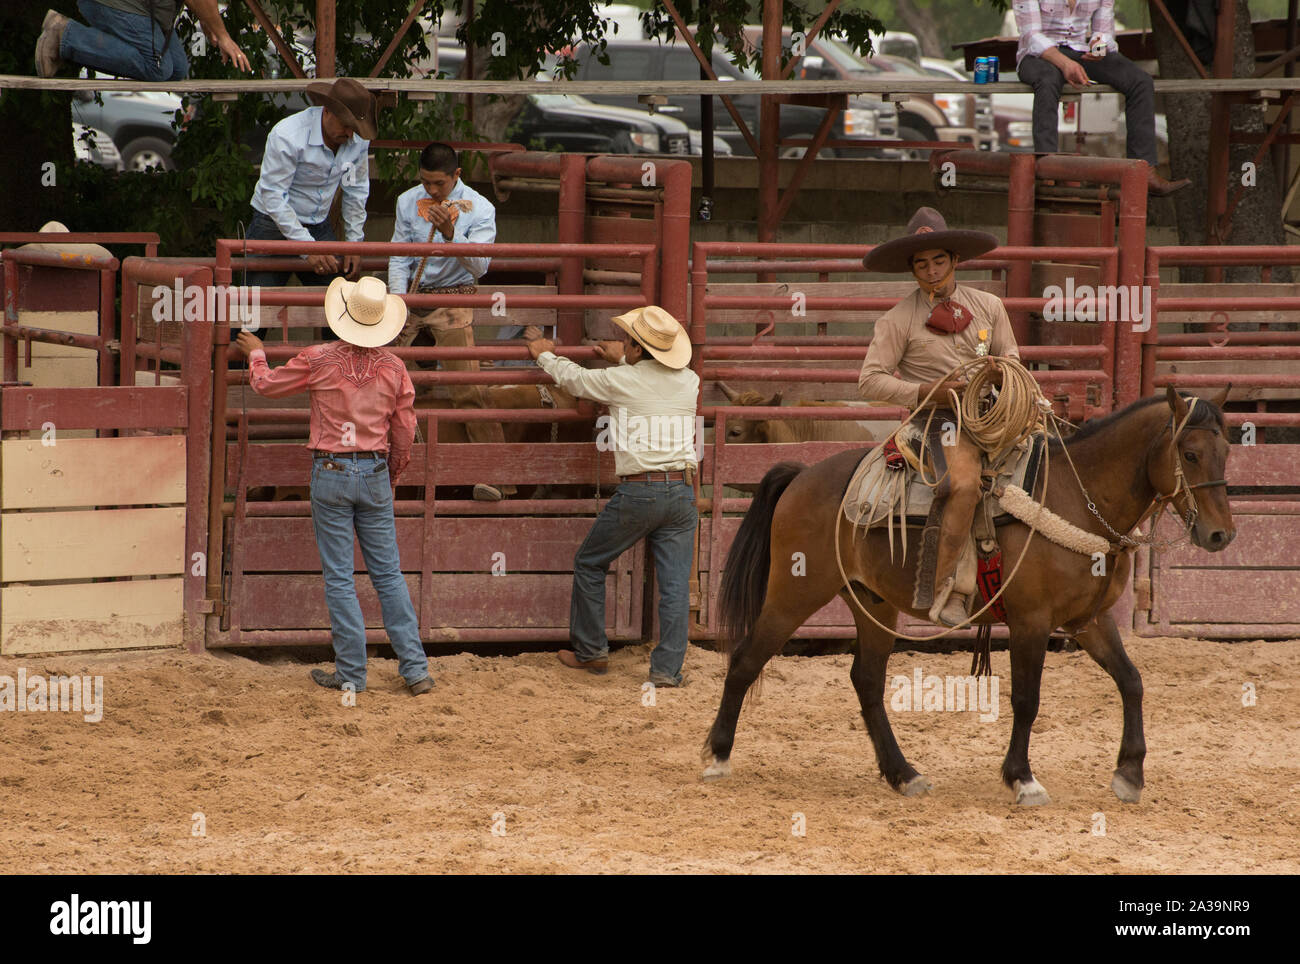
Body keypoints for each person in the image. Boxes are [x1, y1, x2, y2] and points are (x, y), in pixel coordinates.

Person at [235, 275, 434, 696]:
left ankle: (351, 674)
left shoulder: (318, 358)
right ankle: (415, 670)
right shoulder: (395, 368)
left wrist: (257, 354)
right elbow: (405, 428)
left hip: (332, 471)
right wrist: (392, 473)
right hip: (374, 471)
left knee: (340, 577)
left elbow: (266, 385)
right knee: (389, 574)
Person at [858, 207, 1020, 628]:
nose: (931, 271)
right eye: (921, 264)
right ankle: (949, 588)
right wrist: (925, 392)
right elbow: (869, 381)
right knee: (964, 486)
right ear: (912, 270)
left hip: (995, 415)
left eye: (938, 261)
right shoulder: (897, 320)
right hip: (938, 422)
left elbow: (1013, 356)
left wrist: (1004, 373)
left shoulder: (990, 307)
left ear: (954, 260)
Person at [526, 307, 700, 687]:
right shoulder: (690, 380)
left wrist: (543, 353)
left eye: (628, 342)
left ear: (637, 351)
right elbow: (652, 380)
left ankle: (591, 652)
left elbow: (575, 380)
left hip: (642, 490)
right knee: (673, 586)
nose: (622, 345)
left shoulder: (622, 380)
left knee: (590, 562)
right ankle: (666, 671)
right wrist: (624, 357)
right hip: (683, 491)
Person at [388, 142, 513, 501]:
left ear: (456, 176)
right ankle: (382, 468)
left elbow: (481, 267)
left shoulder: (481, 208)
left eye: (438, 184)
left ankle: (495, 476)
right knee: (385, 381)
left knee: (468, 388)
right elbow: (398, 255)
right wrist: (400, 299)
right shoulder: (406, 201)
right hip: (412, 297)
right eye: (425, 183)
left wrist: (450, 236)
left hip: (454, 296)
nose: (430, 191)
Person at [1011, 0, 1189, 196]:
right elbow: (1031, 36)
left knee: (1140, 81)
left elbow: (1104, 32)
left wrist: (1099, 46)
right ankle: (1047, 168)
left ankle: (1145, 173)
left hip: (1079, 50)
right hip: (1038, 55)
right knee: (1047, 80)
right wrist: (1065, 64)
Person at [244, 77, 377, 290]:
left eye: (355, 128)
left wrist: (354, 242)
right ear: (327, 111)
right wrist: (308, 248)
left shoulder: (357, 141)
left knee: (341, 300)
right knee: (255, 308)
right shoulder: (288, 135)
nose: (350, 134)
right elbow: (274, 196)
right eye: (346, 125)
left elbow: (355, 189)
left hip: (317, 224)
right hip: (272, 224)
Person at [36, 2, 250, 81]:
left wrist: (207, 18)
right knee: (158, 68)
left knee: (177, 70)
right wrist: (223, 37)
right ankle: (66, 35)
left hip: (144, 10)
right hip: (116, 4)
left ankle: (76, 42)